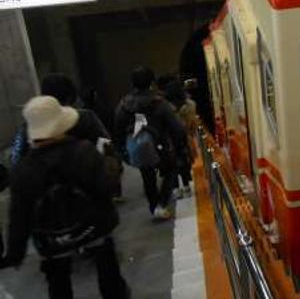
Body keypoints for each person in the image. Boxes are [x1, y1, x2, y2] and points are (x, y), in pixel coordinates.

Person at [0, 96, 129, 299]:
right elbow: (107, 185)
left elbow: (19, 216)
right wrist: (111, 161)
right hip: (93, 228)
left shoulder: (23, 171)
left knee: (57, 282)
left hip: (51, 239)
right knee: (109, 271)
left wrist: (15, 254)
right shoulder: (83, 151)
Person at [114, 66, 185, 220]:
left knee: (147, 176)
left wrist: (123, 151)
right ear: (152, 82)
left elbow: (118, 128)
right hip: (160, 145)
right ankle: (161, 204)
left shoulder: (124, 104)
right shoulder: (159, 102)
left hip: (137, 146)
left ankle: (154, 207)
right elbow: (176, 127)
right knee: (171, 169)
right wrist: (180, 146)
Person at [11, 73, 109, 166]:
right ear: (71, 97)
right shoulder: (86, 118)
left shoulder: (32, 125)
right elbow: (107, 147)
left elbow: (16, 159)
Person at [164, 77, 196, 198]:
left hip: (169, 140)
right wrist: (190, 135)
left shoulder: (164, 106)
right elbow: (193, 123)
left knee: (172, 164)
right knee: (184, 162)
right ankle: (187, 186)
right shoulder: (190, 105)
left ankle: (176, 189)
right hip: (184, 138)